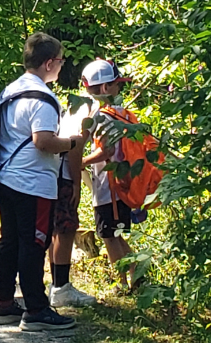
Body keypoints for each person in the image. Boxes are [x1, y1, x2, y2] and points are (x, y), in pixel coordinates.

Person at [0, 33, 82, 331]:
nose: (61, 66)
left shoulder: (12, 90)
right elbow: (43, 141)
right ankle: (36, 309)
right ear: (49, 62)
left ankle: (5, 303)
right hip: (33, 182)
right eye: (60, 61)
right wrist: (72, 143)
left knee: (9, 240)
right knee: (34, 243)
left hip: (6, 177)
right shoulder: (43, 98)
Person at [80, 59, 138, 293]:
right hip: (121, 186)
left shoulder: (101, 116)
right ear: (106, 88)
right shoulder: (120, 114)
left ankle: (122, 283)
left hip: (109, 189)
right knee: (115, 235)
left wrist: (80, 162)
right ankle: (137, 275)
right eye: (117, 84)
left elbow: (108, 150)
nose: (119, 89)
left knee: (109, 236)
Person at [48, 99, 97, 307]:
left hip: (50, 173)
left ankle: (56, 284)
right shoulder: (91, 112)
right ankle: (61, 288)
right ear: (105, 88)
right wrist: (77, 182)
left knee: (55, 229)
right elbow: (75, 147)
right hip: (64, 175)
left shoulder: (75, 106)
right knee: (66, 229)